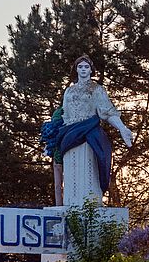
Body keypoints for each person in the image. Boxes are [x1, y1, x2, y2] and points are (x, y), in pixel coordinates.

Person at [40, 55, 133, 206]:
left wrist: (122, 128)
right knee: (72, 175)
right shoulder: (69, 92)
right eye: (80, 67)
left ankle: (92, 204)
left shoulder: (96, 89)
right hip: (69, 135)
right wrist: (50, 141)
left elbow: (107, 111)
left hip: (89, 133)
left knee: (90, 171)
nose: (83, 69)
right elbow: (63, 116)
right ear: (76, 70)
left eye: (86, 67)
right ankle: (72, 205)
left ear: (91, 70)